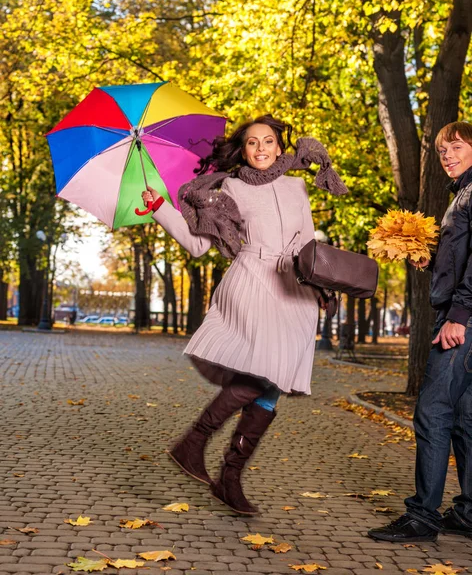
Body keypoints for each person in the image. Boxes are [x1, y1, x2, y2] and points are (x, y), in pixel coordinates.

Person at [142, 115, 348, 515]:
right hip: (253, 279)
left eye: (268, 141)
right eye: (252, 143)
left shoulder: (297, 184)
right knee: (265, 373)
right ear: (243, 148)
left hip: (295, 288)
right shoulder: (229, 187)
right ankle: (196, 443)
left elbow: (307, 243)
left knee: (273, 385)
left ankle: (228, 478)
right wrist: (159, 208)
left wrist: (321, 285)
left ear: (278, 145)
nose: (260, 149)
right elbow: (200, 245)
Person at [368, 121, 472, 543]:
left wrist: (458, 316)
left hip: (463, 320)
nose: (448, 155)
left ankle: (422, 518)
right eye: (442, 150)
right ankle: (467, 514)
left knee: (432, 413)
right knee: (465, 418)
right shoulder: (461, 195)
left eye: (457, 146)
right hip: (463, 315)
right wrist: (429, 259)